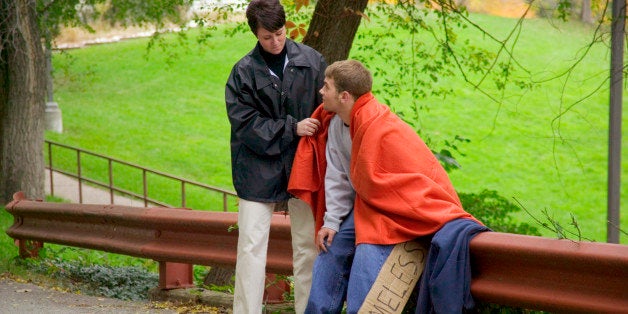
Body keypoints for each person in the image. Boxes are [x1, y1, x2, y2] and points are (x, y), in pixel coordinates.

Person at [288, 60, 489, 313]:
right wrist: (331, 222)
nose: (321, 92)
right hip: (367, 203)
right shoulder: (336, 123)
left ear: (345, 96)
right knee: (331, 249)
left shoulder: (380, 125)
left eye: (326, 87)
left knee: (365, 265)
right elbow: (338, 176)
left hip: (395, 210)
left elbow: (405, 181)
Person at [224, 0, 327, 312]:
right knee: (251, 247)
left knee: (308, 248)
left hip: (304, 164)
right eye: (267, 37)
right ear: (256, 34)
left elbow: (328, 111)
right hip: (255, 167)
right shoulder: (242, 72)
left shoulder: (313, 61)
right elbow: (245, 125)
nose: (275, 41)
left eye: (280, 34)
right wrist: (291, 128)